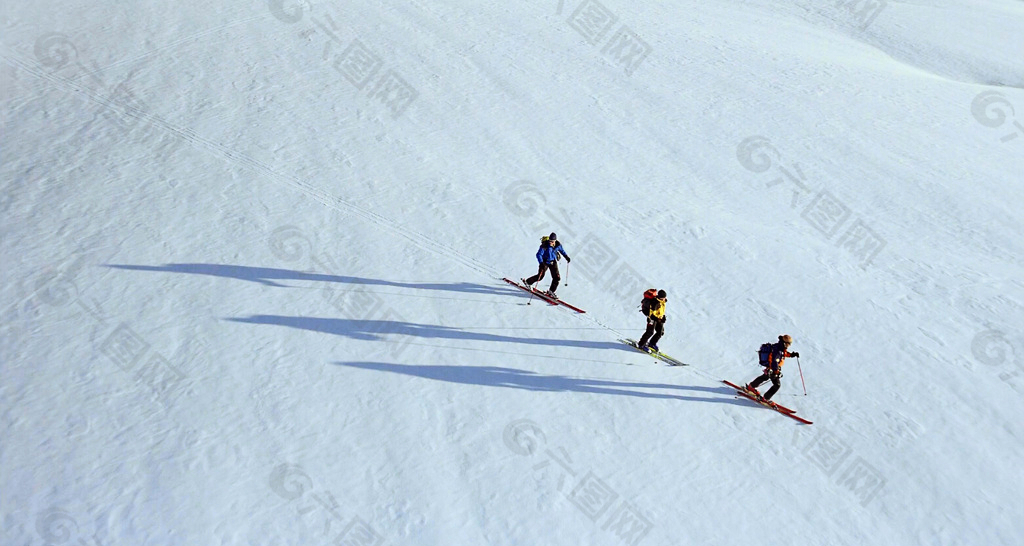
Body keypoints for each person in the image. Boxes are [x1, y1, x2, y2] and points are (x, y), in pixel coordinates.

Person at [746, 334, 800, 405]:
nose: (789, 345)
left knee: (765, 377)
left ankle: (751, 387)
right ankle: (765, 398)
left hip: (770, 368)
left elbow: (784, 353)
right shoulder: (778, 350)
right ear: (785, 343)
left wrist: (792, 355)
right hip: (772, 369)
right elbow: (775, 361)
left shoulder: (779, 347)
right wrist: (776, 372)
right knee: (777, 385)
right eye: (789, 343)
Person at [522, 233, 570, 297]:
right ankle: (528, 282)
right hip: (544, 262)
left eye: (552, 241)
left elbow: (562, 251)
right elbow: (538, 254)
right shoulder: (545, 246)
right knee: (540, 276)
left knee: (557, 277)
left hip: (553, 262)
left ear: (555, 241)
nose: (550, 242)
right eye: (549, 241)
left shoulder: (558, 245)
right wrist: (541, 263)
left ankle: (551, 291)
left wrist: (566, 257)